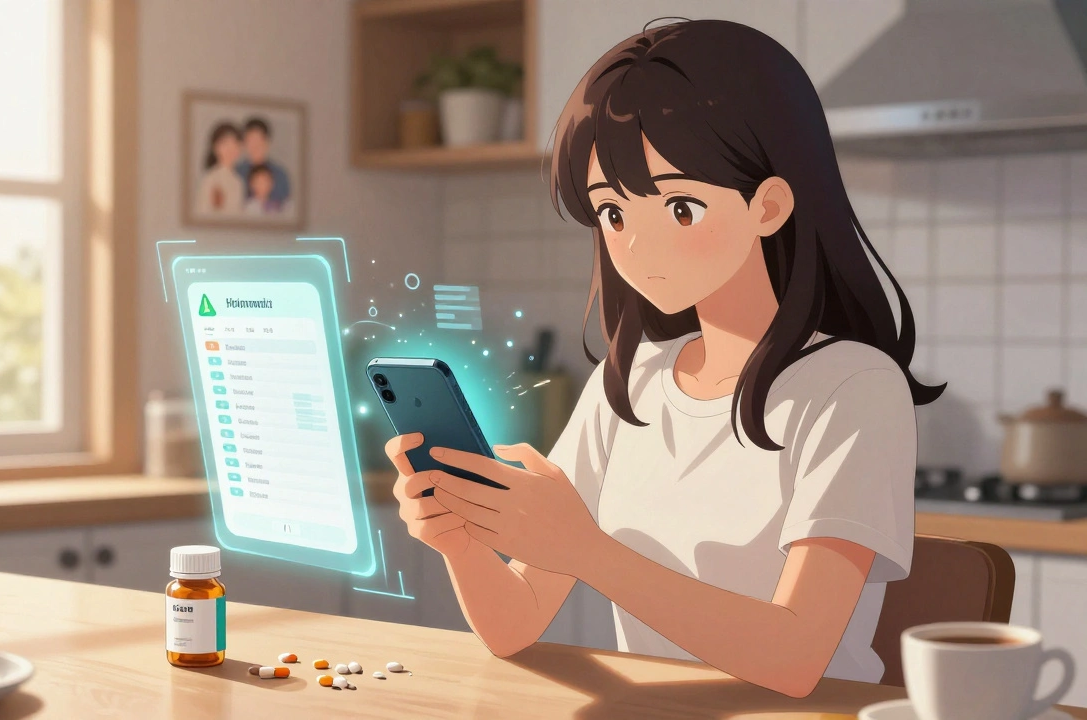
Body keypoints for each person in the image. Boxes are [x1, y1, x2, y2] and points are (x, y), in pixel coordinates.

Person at [385, 19, 942, 698]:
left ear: (768, 205)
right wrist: (464, 542)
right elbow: (515, 624)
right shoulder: (633, 383)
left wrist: (584, 548)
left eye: (681, 206)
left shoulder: (851, 385)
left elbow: (796, 657)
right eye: (614, 214)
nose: (637, 247)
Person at [235, 117, 291, 205]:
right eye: (250, 141)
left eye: (258, 140)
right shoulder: (236, 173)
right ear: (244, 144)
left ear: (267, 142)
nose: (255, 146)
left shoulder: (280, 174)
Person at [195, 122, 244, 217]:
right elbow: (202, 213)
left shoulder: (239, 181)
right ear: (215, 147)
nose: (231, 148)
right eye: (225, 143)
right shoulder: (210, 179)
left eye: (235, 143)